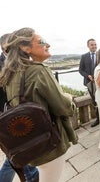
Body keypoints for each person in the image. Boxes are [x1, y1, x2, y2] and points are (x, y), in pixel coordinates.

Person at [0, 27, 78, 182]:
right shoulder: (38, 71)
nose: (47, 44)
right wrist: (69, 98)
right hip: (50, 143)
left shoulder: (10, 73)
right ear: (25, 48)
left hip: (31, 141)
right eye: (41, 41)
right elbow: (63, 107)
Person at [0, 33, 39, 182]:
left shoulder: (20, 62)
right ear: (4, 49)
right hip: (6, 116)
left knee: (16, 156)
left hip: (18, 116)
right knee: (17, 157)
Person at [79, 38, 100, 127]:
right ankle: (98, 119)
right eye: (92, 45)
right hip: (89, 83)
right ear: (88, 46)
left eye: (95, 44)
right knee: (95, 101)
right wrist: (88, 76)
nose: (94, 46)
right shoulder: (84, 56)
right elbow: (80, 70)